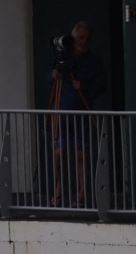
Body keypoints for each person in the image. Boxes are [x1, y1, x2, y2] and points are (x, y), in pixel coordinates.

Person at [49, 20, 107, 208]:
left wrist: (85, 87)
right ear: (73, 38)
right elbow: (49, 77)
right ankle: (59, 189)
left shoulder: (94, 60)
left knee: (82, 155)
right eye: (81, 38)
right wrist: (53, 75)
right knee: (59, 153)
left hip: (82, 113)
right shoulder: (63, 59)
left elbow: (102, 86)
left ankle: (82, 194)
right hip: (62, 114)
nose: (84, 41)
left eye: (87, 39)